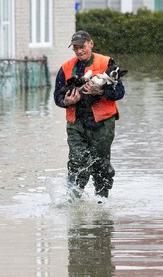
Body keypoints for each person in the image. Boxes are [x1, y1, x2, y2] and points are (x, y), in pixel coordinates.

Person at [54, 30, 125, 201]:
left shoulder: (106, 62)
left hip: (102, 124)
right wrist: (67, 102)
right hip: (76, 124)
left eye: (82, 46)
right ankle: (73, 204)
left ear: (90, 44)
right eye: (76, 48)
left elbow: (120, 92)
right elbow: (57, 97)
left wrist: (100, 91)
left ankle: (102, 203)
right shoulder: (65, 68)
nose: (79, 51)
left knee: (101, 166)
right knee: (77, 164)